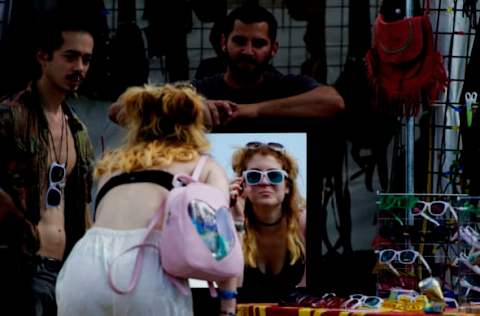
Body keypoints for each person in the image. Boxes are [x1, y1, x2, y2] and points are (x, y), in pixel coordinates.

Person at [55, 83, 239, 316]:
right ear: (193, 125)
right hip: (147, 266)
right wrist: (228, 306)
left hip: (84, 265)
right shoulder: (203, 166)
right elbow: (221, 245)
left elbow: (116, 110)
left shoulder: (112, 164)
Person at [0, 11, 95, 316]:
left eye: (86, 59)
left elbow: (81, 205)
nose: (79, 67)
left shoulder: (77, 129)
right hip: (20, 266)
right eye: (70, 57)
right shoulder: (9, 116)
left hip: (67, 270)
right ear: (43, 56)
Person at [192, 4, 345, 130]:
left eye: (258, 44)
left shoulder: (286, 87)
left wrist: (254, 110)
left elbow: (333, 102)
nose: (248, 51)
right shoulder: (203, 90)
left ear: (274, 48)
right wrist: (192, 107)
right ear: (223, 43)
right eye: (239, 41)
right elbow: (168, 101)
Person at [229, 141, 306, 302]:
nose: (264, 182)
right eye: (254, 176)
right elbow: (232, 293)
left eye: (274, 175)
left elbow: (313, 296)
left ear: (287, 186)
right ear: (242, 184)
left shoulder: (303, 222)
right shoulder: (228, 222)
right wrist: (237, 221)